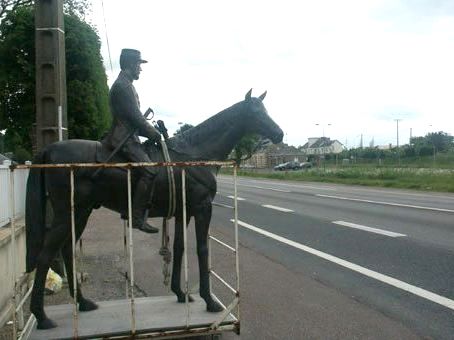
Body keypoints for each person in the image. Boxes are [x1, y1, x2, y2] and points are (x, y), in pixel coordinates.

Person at [103, 49, 161, 233]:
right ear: (129, 64)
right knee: (150, 171)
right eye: (138, 64)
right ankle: (136, 217)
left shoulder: (126, 84)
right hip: (123, 139)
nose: (140, 69)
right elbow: (137, 119)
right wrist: (154, 134)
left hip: (130, 136)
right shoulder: (124, 86)